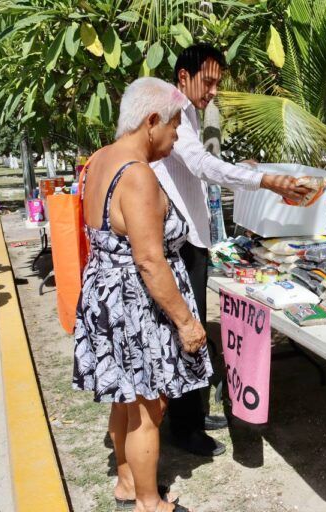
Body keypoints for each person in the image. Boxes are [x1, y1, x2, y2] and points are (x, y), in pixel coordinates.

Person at [151, 43, 311, 457]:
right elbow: (202, 165)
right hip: (178, 243)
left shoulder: (185, 112)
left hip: (192, 239)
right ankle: (183, 428)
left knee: (195, 328)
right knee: (185, 331)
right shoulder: (171, 111)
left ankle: (193, 411)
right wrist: (266, 181)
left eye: (218, 83)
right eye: (209, 82)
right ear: (183, 77)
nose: (214, 92)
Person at [72, 78, 207, 512]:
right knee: (150, 407)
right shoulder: (138, 176)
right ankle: (152, 503)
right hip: (135, 305)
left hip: (106, 294)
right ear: (151, 121)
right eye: (173, 127)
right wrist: (187, 322)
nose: (174, 138)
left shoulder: (102, 159)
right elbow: (150, 261)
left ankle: (128, 482)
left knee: (125, 397)